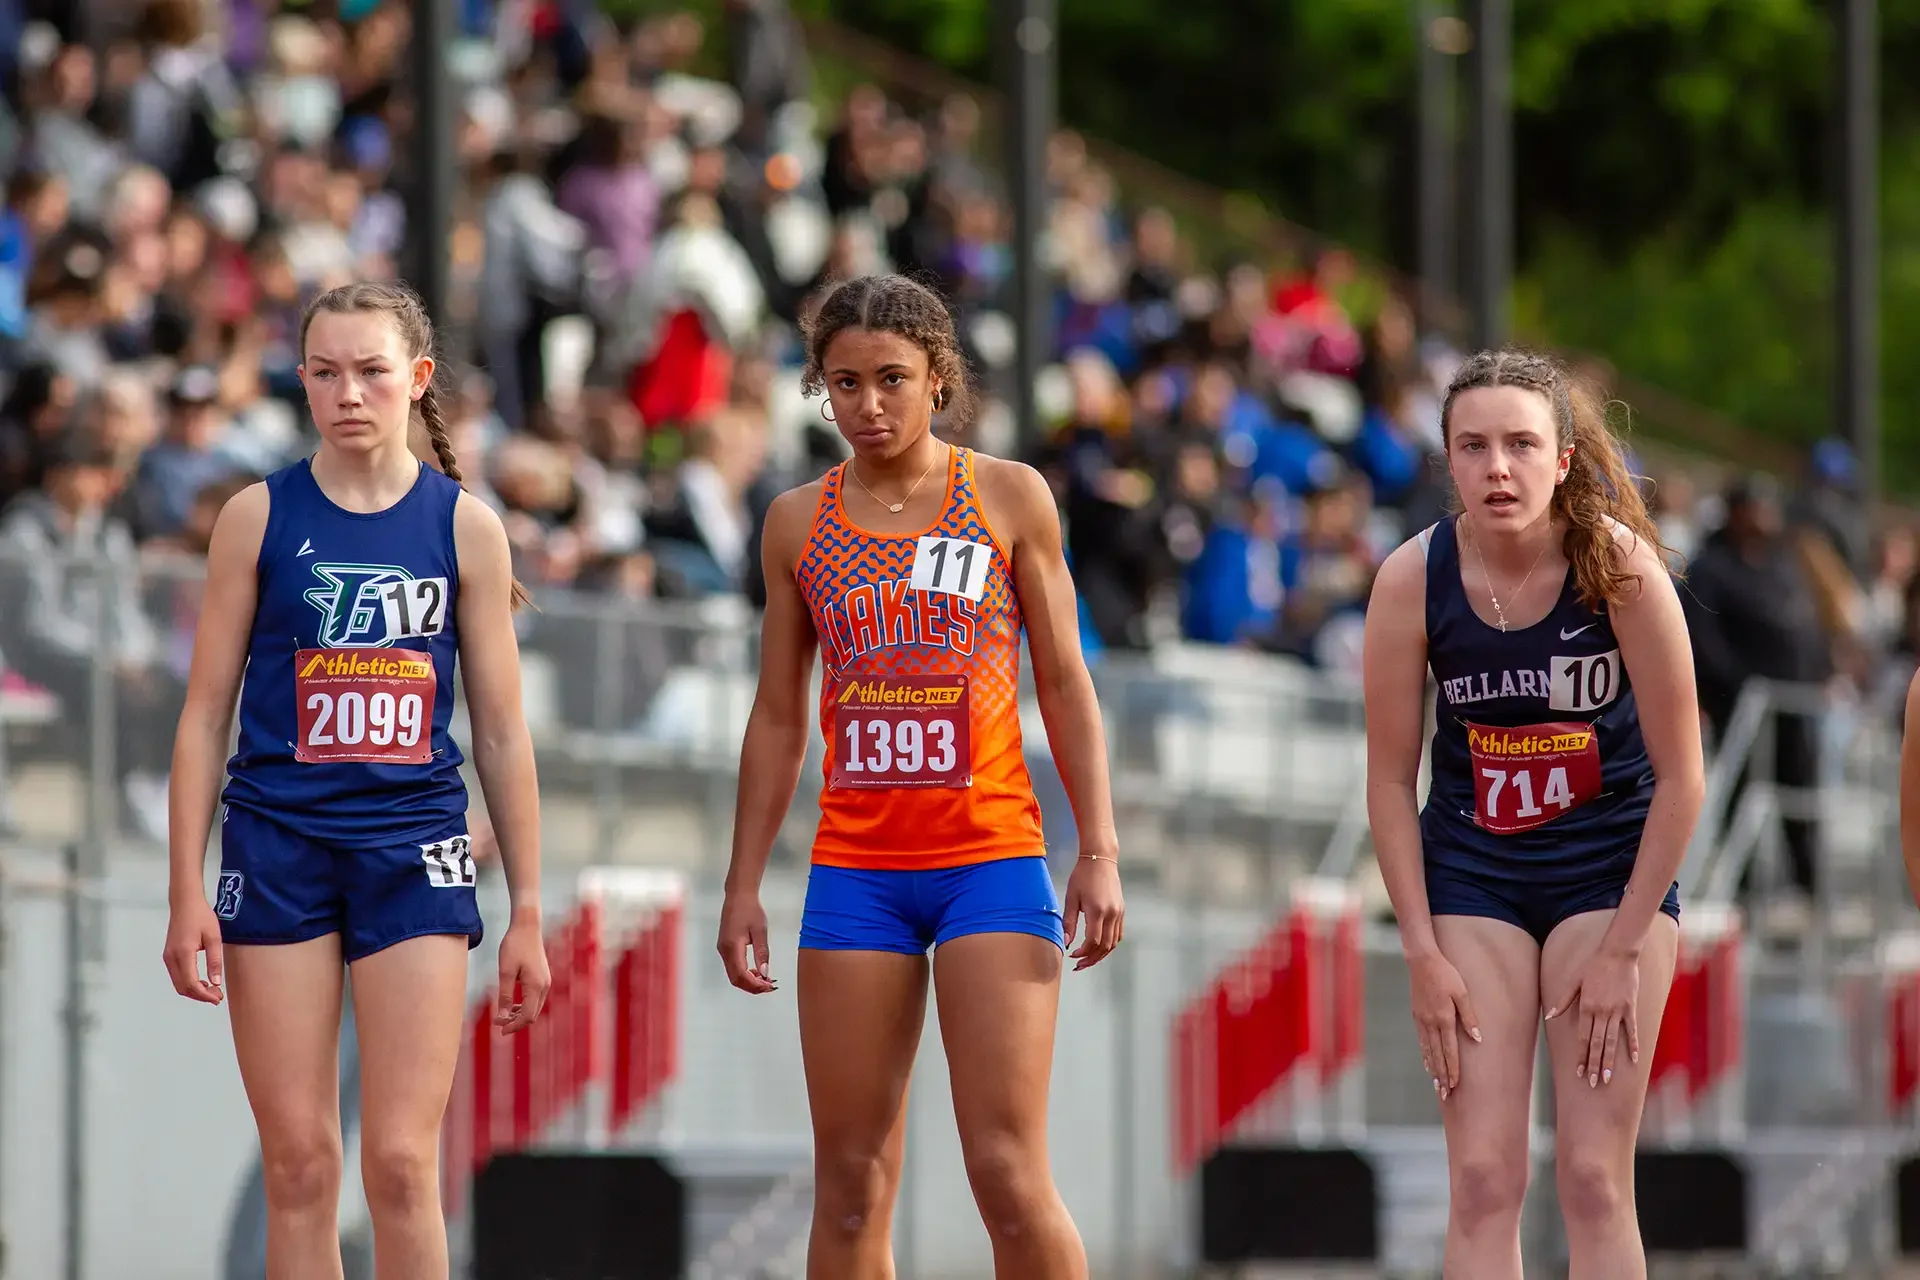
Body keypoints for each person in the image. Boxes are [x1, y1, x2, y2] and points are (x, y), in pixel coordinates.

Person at [716, 273, 1125, 1279]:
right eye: (843, 384)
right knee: (851, 1182)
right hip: (857, 872)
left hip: (990, 857)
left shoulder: (1006, 494)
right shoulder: (794, 523)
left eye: (891, 378)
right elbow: (776, 716)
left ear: (937, 378)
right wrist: (741, 882)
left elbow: (1068, 684)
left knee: (1007, 1172)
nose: (868, 404)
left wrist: (1100, 848)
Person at [162, 280, 551, 1277]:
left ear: (417, 380)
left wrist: (531, 912)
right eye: (327, 371)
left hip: (412, 848)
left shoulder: (465, 526)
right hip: (276, 844)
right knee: (300, 1161)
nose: (349, 392)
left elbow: (503, 732)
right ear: (302, 381)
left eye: (372, 370)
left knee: (400, 1159)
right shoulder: (257, 516)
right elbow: (204, 714)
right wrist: (182, 890)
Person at [1362, 349, 1704, 1277]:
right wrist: (1422, 952)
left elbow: (1684, 777)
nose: (1497, 468)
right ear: (1448, 461)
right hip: (1476, 873)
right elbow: (1391, 781)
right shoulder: (1410, 579)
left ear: (1562, 460)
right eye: (1473, 447)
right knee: (1481, 1178)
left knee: (1594, 1178)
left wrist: (1627, 947)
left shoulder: (1619, 567)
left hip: (1609, 874)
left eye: (1520, 444)